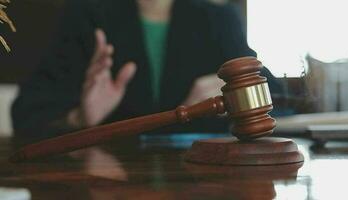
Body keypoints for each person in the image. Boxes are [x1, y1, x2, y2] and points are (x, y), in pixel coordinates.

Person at [12, 0, 282, 141]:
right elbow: (26, 114)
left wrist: (235, 100)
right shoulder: (86, 14)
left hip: (203, 182)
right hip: (107, 182)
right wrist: (79, 118)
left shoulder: (219, 19)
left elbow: (278, 99)